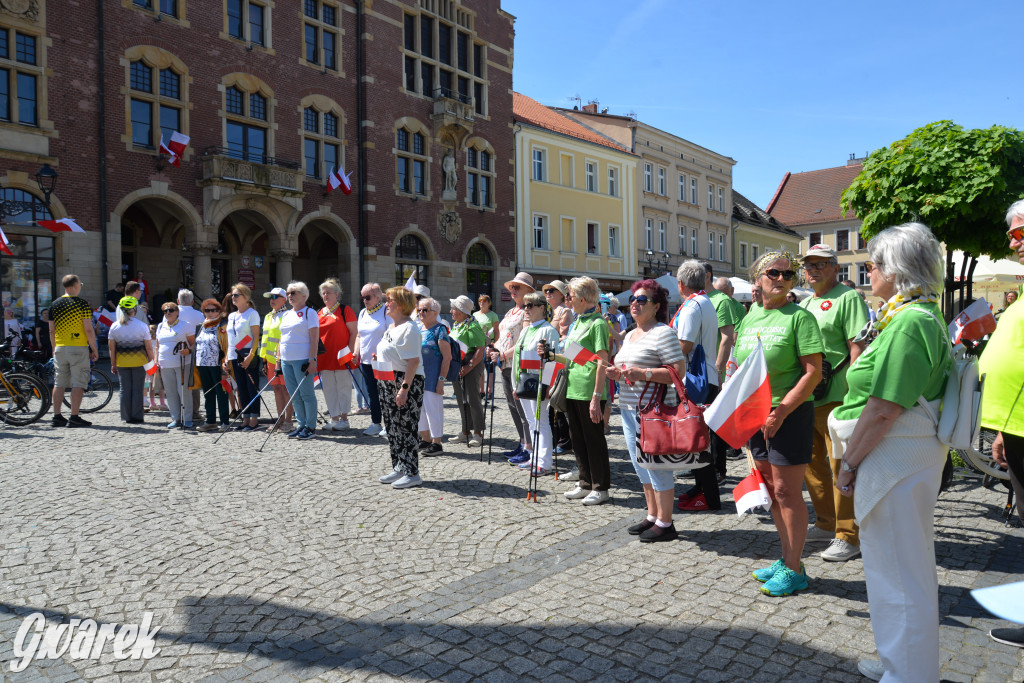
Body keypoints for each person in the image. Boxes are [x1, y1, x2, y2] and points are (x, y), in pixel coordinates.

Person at [828, 223, 951, 681]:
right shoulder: (914, 315)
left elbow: (883, 409)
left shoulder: (910, 322)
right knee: (897, 569)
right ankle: (900, 662)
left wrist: (849, 465)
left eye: (873, 264)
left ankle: (909, 674)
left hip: (895, 458)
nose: (869, 271)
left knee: (898, 573)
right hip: (901, 457)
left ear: (895, 270)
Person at [736, 251, 823, 597]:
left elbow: (813, 373)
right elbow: (742, 367)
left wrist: (782, 411)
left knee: (787, 492)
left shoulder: (800, 318)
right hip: (756, 414)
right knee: (770, 491)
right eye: (774, 273)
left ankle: (795, 568)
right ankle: (788, 557)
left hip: (789, 413)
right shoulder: (750, 316)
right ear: (758, 278)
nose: (782, 279)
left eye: (789, 275)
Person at [798, 244, 869, 563]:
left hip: (838, 394)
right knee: (811, 463)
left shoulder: (848, 297)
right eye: (808, 265)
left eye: (820, 264)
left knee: (841, 464)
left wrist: (855, 393)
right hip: (808, 395)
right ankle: (826, 522)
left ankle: (848, 534)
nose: (812, 270)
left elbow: (857, 347)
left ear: (834, 267)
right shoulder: (805, 302)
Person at [605, 279, 685, 540]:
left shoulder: (663, 333)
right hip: (629, 407)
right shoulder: (630, 334)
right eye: (633, 299)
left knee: (657, 465)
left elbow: (678, 372)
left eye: (642, 300)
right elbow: (630, 368)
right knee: (640, 464)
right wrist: (618, 373)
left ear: (657, 306)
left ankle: (666, 522)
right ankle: (652, 515)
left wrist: (643, 373)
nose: (635, 304)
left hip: (654, 410)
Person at [979, 201, 1024, 649]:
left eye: (1022, 232)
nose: (1013, 242)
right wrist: (1001, 431)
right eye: (1012, 234)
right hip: (1016, 425)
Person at [540, 276, 612, 505]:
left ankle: (600, 487)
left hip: (589, 390)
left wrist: (596, 397)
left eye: (570, 295)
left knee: (593, 440)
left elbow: (602, 362)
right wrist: (551, 356)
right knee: (578, 440)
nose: (567, 299)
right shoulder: (578, 321)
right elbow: (575, 358)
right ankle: (585, 483)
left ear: (582, 299)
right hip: (572, 387)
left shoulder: (598, 323)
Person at [672, 260, 723, 512]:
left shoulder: (692, 306)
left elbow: (685, 345)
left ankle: (710, 496)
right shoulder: (705, 301)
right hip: (705, 377)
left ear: (681, 284)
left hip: (696, 380)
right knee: (699, 439)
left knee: (698, 441)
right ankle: (700, 488)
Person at [376, 286, 426, 489]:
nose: (386, 303)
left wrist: (404, 389)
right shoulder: (392, 326)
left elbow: (413, 361)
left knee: (406, 427)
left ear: (402, 304)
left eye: (390, 300)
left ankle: (412, 472)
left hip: (405, 381)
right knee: (392, 426)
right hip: (387, 378)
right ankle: (399, 466)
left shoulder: (409, 328)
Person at [512, 291, 559, 475]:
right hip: (524, 381)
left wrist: (547, 385)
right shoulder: (525, 330)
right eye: (525, 305)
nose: (526, 309)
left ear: (541, 308)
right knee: (531, 422)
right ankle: (534, 457)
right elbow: (517, 358)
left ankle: (544, 462)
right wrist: (516, 384)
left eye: (530, 305)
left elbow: (553, 360)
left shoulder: (548, 330)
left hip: (539, 382)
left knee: (541, 421)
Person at [490, 272, 533, 459]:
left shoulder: (528, 312)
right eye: (512, 287)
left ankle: (529, 447)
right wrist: (494, 349)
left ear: (528, 290)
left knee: (522, 407)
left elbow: (524, 341)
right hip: (504, 364)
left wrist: (503, 354)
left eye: (517, 287)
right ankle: (522, 442)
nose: (513, 290)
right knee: (512, 405)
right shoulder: (510, 311)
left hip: (518, 364)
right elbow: (502, 337)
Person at [49, 274, 99, 428]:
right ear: (75, 285)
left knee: (59, 383)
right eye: (80, 284)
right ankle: (74, 416)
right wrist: (94, 348)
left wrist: (54, 348)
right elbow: (88, 329)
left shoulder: (54, 304)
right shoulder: (82, 304)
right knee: (78, 382)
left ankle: (57, 416)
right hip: (78, 347)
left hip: (60, 347)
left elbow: (51, 330)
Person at [278, 282, 320, 440]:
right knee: (294, 394)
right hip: (286, 359)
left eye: (293, 292)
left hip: (302, 359)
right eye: (288, 293)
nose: (290, 296)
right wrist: (278, 360)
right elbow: (281, 338)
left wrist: (312, 360)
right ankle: (301, 424)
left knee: (306, 393)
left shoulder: (310, 313)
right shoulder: (286, 314)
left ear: (304, 295)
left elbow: (314, 339)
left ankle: (310, 426)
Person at [318, 278, 358, 431]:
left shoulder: (345, 310)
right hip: (325, 357)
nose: (325, 295)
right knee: (329, 388)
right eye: (323, 293)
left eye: (328, 293)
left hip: (342, 356)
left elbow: (354, 332)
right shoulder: (319, 313)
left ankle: (344, 419)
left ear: (336, 294)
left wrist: (350, 352)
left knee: (344, 387)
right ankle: (334, 418)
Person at [106, 296, 153, 425]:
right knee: (138, 389)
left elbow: (111, 348)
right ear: (135, 310)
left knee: (124, 390)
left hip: (122, 363)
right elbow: (149, 348)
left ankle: (126, 417)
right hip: (139, 362)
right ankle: (137, 417)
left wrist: (113, 364)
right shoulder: (142, 326)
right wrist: (152, 363)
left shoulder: (114, 326)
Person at [449, 295, 487, 447]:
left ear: (462, 311)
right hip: (458, 364)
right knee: (461, 399)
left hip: (471, 363)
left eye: (453, 309)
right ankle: (465, 431)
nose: (451, 311)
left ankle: (478, 433)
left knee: (472, 399)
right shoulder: (457, 325)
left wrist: (469, 366)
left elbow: (480, 349)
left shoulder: (472, 326)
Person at [543, 279, 574, 462]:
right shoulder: (548, 310)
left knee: (556, 396)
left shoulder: (565, 311)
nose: (548, 294)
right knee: (547, 396)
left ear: (561, 294)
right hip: (548, 358)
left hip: (558, 357)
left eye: (552, 291)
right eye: (546, 291)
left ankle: (564, 440)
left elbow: (566, 337)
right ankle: (553, 437)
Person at [355, 282, 391, 437]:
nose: (364, 300)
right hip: (366, 361)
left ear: (377, 297)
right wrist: (356, 352)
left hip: (383, 360)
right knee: (372, 393)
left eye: (368, 297)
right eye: (362, 297)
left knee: (386, 393)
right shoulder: (363, 313)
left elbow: (391, 333)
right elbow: (359, 335)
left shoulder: (385, 312)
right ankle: (376, 423)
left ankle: (389, 424)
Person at [223, 283, 261, 431]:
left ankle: (254, 419)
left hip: (247, 353)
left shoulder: (252, 313)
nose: (233, 297)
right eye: (232, 295)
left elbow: (255, 336)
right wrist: (226, 358)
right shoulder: (232, 316)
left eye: (236, 295)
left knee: (252, 387)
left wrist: (250, 356)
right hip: (234, 355)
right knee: (241, 388)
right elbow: (230, 340)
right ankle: (245, 418)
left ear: (245, 297)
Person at [417, 297, 451, 456]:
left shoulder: (440, 330)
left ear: (435, 312)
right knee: (420, 410)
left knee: (433, 411)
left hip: (433, 378)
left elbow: (447, 357)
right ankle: (425, 439)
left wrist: (441, 380)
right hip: (418, 378)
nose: (420, 313)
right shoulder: (418, 329)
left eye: (425, 310)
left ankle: (437, 443)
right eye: (419, 310)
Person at [155, 300, 196, 429]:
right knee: (170, 391)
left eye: (171, 310)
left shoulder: (185, 325)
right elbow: (157, 346)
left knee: (183, 391)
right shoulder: (161, 326)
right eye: (165, 311)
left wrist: (188, 351)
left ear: (177, 312)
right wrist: (156, 360)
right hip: (164, 363)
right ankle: (176, 418)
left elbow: (193, 343)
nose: (168, 313)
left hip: (182, 363)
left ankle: (187, 418)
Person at [258, 287, 293, 432]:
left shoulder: (288, 315)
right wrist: (264, 360)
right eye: (270, 297)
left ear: (284, 300)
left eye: (275, 297)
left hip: (283, 358)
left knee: (286, 389)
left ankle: (288, 421)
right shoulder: (268, 316)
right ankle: (280, 420)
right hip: (270, 360)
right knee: (277, 389)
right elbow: (265, 340)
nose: (272, 300)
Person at [194, 298, 232, 433]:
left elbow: (227, 346)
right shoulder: (201, 326)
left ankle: (225, 422)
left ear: (219, 311)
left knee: (221, 393)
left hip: (217, 364)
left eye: (213, 310)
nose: (210, 313)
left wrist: (225, 364)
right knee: (208, 393)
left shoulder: (223, 326)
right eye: (207, 310)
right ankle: (210, 421)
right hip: (202, 364)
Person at [175, 289, 205, 426]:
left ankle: (179, 411)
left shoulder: (172, 313)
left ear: (178, 301)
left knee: (178, 383)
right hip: (194, 351)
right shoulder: (199, 315)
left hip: (176, 352)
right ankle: (194, 411)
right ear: (192, 302)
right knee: (193, 382)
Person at [474, 294, 499, 398]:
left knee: (490, 369)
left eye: (484, 300)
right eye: (480, 300)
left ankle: (490, 391)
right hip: (478, 344)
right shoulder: (475, 315)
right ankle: (481, 391)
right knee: (479, 368)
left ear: (489, 303)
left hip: (489, 344)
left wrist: (495, 344)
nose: (481, 302)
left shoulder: (493, 315)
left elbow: (496, 331)